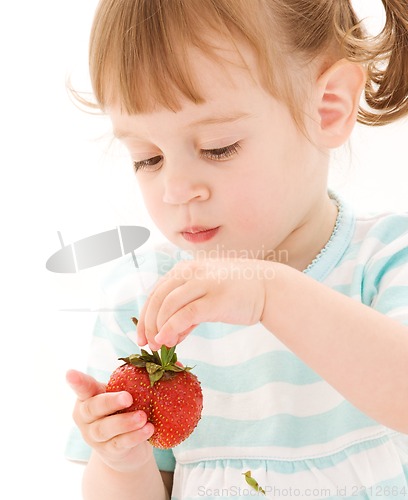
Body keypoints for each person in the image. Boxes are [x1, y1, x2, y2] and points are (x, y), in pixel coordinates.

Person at [64, 1, 408, 498]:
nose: (176, 189)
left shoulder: (385, 259)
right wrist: (121, 461)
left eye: (218, 147)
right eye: (148, 157)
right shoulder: (147, 300)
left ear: (327, 107)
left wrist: (272, 294)